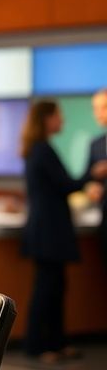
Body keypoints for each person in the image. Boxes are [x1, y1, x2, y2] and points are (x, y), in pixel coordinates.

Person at [20, 100, 107, 364]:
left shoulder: (39, 148)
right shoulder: (42, 150)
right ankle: (37, 345)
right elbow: (65, 185)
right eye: (59, 116)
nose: (63, 121)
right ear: (46, 119)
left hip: (49, 229)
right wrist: (92, 174)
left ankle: (56, 343)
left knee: (56, 287)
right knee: (46, 289)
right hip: (48, 231)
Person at [84, 88, 107, 269]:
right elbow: (88, 179)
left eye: (104, 107)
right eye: (96, 108)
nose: (98, 113)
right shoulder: (96, 144)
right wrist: (90, 188)